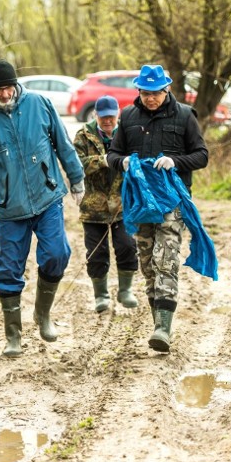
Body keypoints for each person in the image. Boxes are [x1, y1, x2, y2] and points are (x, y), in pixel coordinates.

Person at [0, 59, 85, 358]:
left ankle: (43, 315)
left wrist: (77, 180)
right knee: (6, 269)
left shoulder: (40, 105)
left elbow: (63, 145)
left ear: (16, 84)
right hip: (10, 208)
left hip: (47, 196)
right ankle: (13, 335)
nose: (4, 94)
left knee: (57, 253)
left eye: (7, 87)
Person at [106, 65, 209, 353]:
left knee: (166, 259)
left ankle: (164, 327)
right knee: (148, 263)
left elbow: (202, 155)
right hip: (139, 202)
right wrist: (123, 162)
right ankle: (157, 321)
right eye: (146, 93)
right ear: (138, 91)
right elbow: (112, 154)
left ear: (167, 90)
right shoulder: (127, 117)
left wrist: (176, 161)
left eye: (156, 93)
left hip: (171, 201)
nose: (151, 99)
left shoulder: (185, 116)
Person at [73, 95, 139, 313]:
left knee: (127, 246)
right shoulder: (83, 136)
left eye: (111, 116)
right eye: (103, 118)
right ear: (96, 116)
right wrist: (104, 160)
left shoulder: (128, 134)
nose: (108, 121)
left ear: (118, 114)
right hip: (93, 206)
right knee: (96, 252)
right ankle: (101, 295)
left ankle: (125, 290)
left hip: (123, 205)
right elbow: (77, 165)